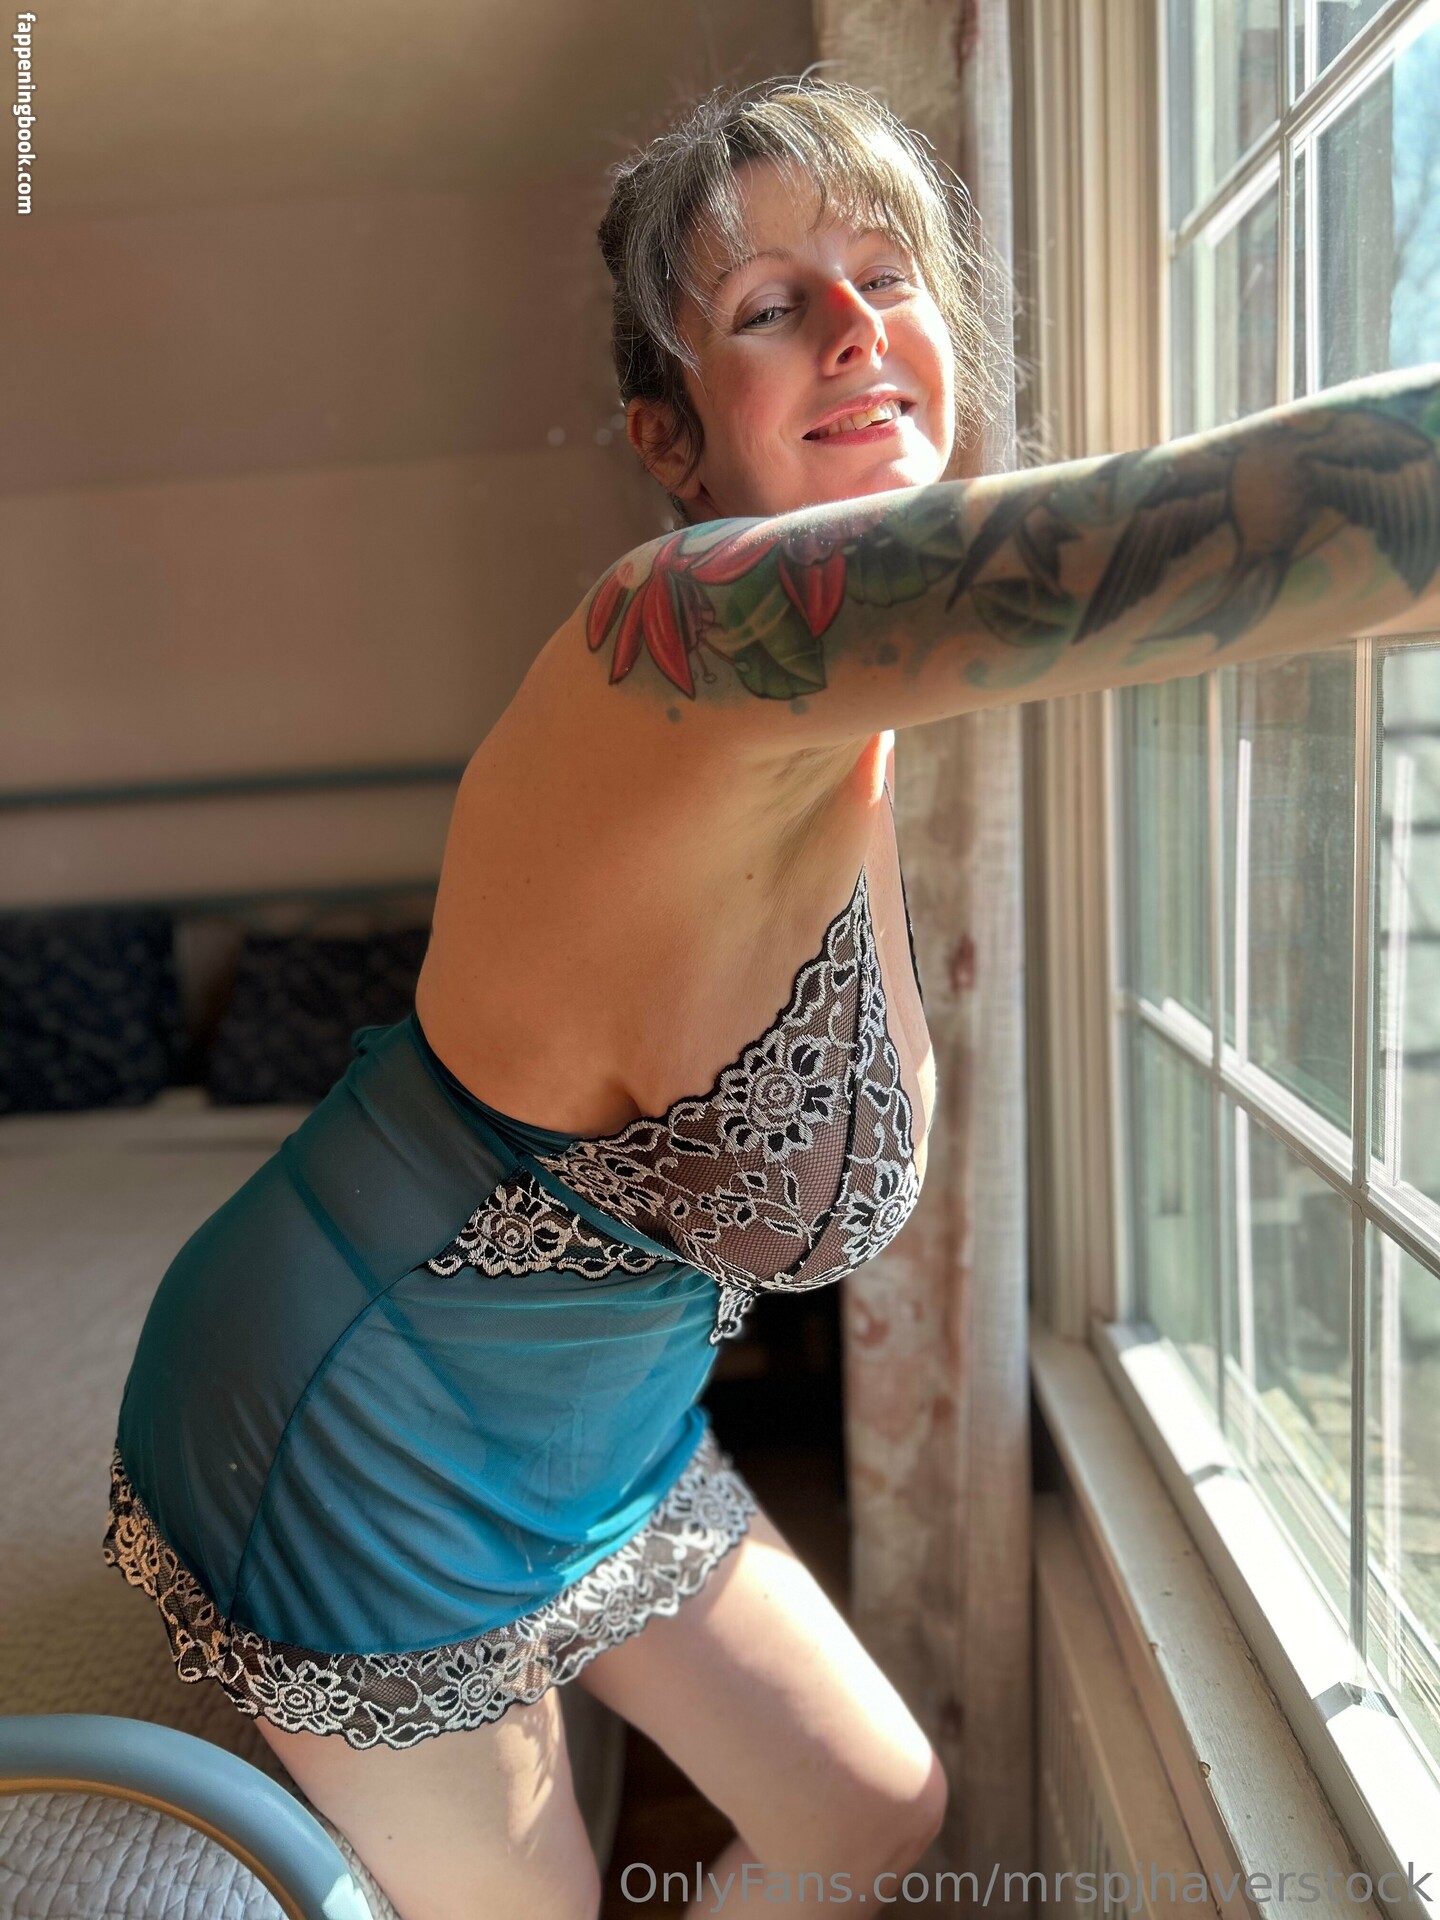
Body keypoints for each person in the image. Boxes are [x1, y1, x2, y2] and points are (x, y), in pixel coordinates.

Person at [101, 74, 1440, 1920]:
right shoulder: (671, 649)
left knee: (875, 1809)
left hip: (600, 1430)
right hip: (358, 1418)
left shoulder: (860, 724)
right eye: (769, 306)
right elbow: (1268, 522)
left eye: (889, 280)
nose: (855, 330)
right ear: (669, 435)